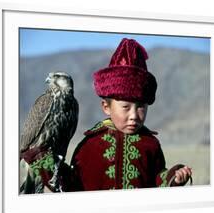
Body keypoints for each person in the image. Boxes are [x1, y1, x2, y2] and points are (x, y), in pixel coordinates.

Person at [68, 38, 192, 191]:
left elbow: (157, 180)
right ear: (106, 107)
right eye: (125, 107)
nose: (134, 115)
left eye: (141, 107)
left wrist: (173, 177)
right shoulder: (89, 145)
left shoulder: (151, 144)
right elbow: (72, 185)